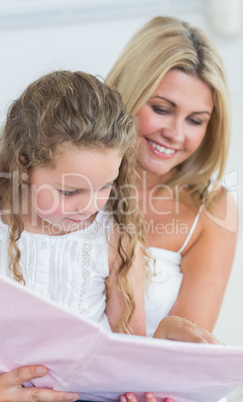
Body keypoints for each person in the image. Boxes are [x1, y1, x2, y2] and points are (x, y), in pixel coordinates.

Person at [0, 69, 218, 402]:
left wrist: (139, 384)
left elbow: (129, 352)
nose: (89, 207)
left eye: (105, 187)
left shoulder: (114, 239)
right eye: (69, 190)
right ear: (23, 164)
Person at [106, 15, 237, 402]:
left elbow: (186, 344)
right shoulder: (67, 181)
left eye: (196, 120)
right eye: (162, 109)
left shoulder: (212, 210)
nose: (176, 134)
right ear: (129, 93)